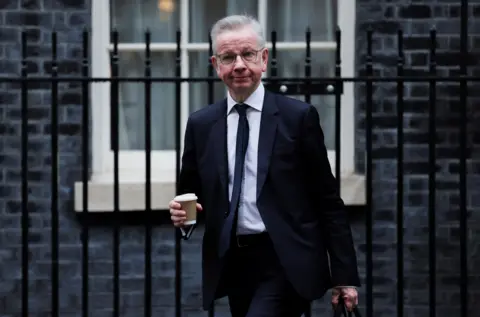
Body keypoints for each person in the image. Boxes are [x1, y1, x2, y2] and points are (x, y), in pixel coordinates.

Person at [169, 14, 361, 317]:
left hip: (286, 260)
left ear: (264, 58)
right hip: (234, 262)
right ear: (216, 65)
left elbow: (328, 200)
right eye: (228, 57)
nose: (239, 65)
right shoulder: (201, 124)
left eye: (247, 54)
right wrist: (183, 218)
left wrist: (344, 276)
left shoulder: (297, 118)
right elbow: (191, 194)